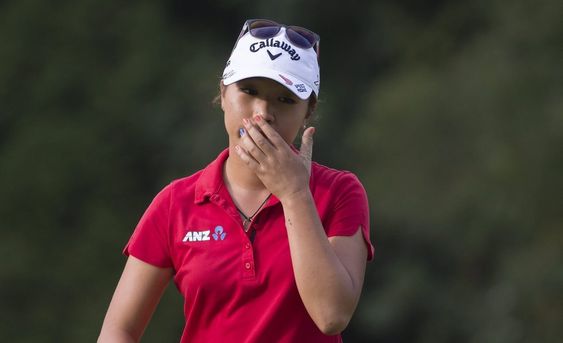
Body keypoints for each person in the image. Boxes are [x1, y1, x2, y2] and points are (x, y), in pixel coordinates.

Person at [98, 18, 374, 343]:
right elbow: (119, 329)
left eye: (285, 100)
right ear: (223, 93)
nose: (263, 112)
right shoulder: (176, 202)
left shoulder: (339, 192)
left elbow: (332, 315)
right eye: (249, 91)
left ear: (308, 111)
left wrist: (295, 193)